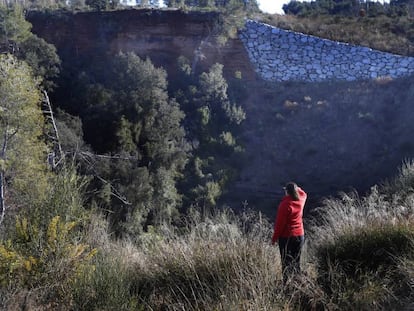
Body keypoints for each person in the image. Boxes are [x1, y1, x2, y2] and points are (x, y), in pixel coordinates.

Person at [271, 182, 307, 283]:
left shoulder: (285, 205)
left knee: (286, 263)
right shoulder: (301, 199)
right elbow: (303, 192)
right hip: (300, 236)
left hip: (286, 238)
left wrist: (274, 239)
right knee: (296, 262)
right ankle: (297, 283)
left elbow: (279, 225)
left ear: (286, 192)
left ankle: (287, 284)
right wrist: (297, 188)